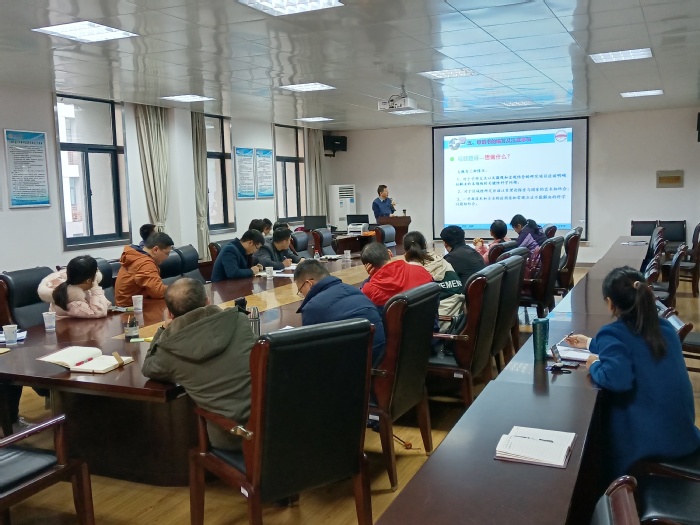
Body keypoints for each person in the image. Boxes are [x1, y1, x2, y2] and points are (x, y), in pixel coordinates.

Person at [565, 267, 700, 481]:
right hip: (683, 434)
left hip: (650, 443)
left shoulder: (613, 333)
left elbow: (617, 379)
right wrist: (590, 343)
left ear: (610, 303)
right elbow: (634, 348)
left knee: (594, 440)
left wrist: (594, 364)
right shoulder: (663, 327)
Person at [142, 278, 254, 451]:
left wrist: (163, 329)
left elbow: (148, 366)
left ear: (170, 314)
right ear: (207, 301)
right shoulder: (239, 320)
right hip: (271, 426)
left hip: (230, 437)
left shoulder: (169, 349)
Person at [294, 260, 386, 366]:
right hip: (381, 359)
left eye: (301, 291)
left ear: (309, 284)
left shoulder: (312, 308)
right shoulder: (355, 290)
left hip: (351, 369)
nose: (303, 296)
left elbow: (310, 352)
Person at [403, 231, 463, 330]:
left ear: (404, 249)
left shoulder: (412, 269)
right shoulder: (442, 260)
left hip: (438, 324)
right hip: (457, 319)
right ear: (425, 245)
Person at [360, 241, 433, 308]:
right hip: (428, 317)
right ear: (390, 253)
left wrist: (370, 278)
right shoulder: (420, 270)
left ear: (368, 266)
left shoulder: (368, 291)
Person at [38, 255, 111, 318]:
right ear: (88, 280)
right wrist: (95, 286)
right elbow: (99, 312)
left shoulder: (83, 287)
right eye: (96, 271)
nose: (97, 274)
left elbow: (107, 305)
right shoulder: (70, 298)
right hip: (66, 329)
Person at [114, 232, 174, 306]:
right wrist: (177, 289)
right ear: (155, 250)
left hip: (134, 304)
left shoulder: (137, 256)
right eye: (167, 253)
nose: (167, 257)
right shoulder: (145, 263)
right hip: (129, 309)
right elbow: (157, 291)